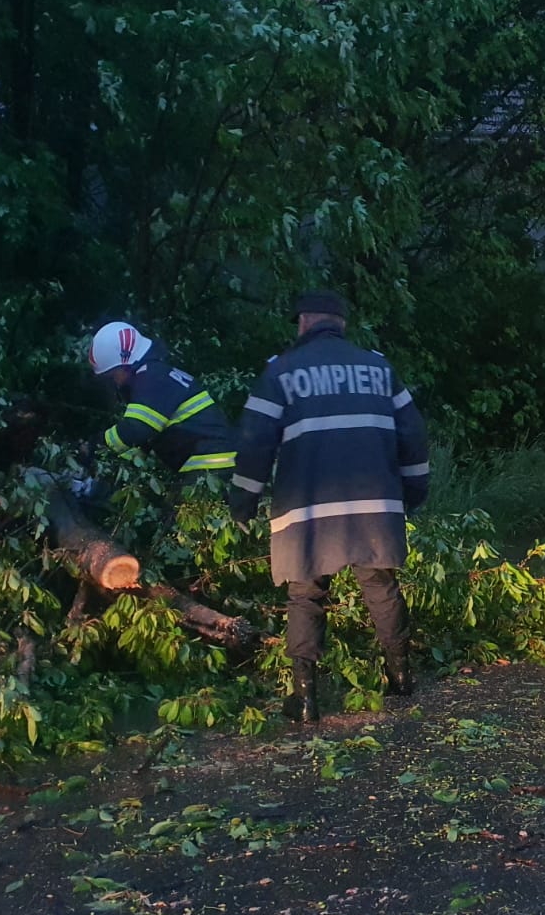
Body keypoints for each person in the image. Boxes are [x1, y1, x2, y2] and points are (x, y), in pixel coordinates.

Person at [229, 290, 430, 721]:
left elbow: (254, 444)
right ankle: (401, 679)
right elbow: (413, 433)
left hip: (306, 513)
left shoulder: (281, 371)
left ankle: (304, 699)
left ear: (303, 322)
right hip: (374, 508)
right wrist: (414, 491)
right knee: (380, 586)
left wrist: (243, 502)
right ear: (341, 324)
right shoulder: (378, 368)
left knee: (305, 596)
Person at [87, 321, 238, 475]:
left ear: (126, 363)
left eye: (112, 376)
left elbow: (136, 428)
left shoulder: (151, 378)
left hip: (211, 465)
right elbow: (143, 441)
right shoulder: (156, 374)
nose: (115, 384)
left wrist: (95, 446)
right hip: (211, 462)